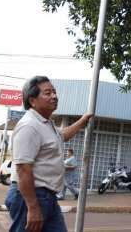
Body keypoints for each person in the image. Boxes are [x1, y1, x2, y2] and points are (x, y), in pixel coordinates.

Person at [5, 76, 92, 232]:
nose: (54, 96)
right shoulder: (29, 126)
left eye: (54, 92)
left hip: (47, 197)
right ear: (32, 101)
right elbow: (23, 170)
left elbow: (63, 135)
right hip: (31, 197)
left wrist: (82, 121)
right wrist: (32, 207)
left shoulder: (45, 124)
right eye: (47, 93)